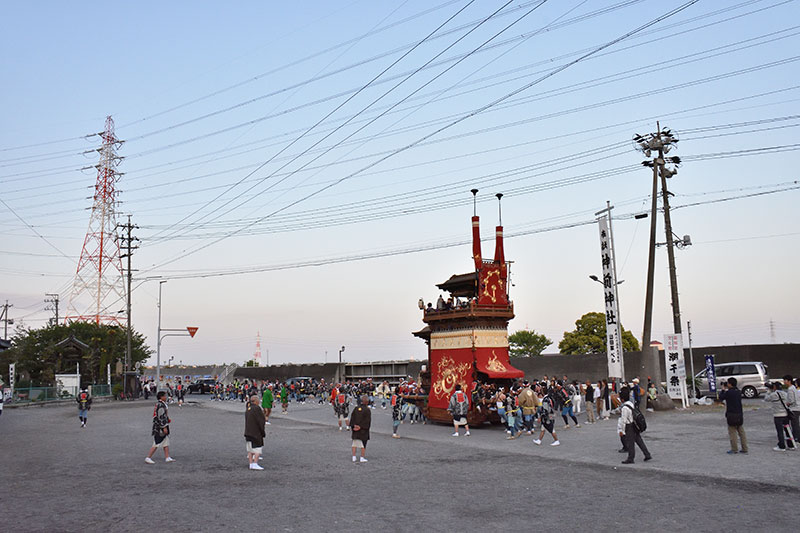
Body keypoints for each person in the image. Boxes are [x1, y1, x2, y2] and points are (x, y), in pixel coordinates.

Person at [618, 387, 652, 464]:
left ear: (622, 399)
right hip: (634, 424)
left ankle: (631, 458)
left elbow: (623, 420)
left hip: (629, 426)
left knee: (630, 443)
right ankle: (647, 454)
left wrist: (622, 431)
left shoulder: (624, 408)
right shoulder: (631, 404)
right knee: (639, 440)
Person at [716, 377, 748, 454]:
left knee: (732, 432)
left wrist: (723, 389)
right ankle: (745, 448)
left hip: (731, 414)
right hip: (739, 413)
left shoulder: (729, 393)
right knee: (741, 432)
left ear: (730, 384)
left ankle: (734, 449)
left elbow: (721, 398)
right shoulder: (738, 392)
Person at [145, 391, 175, 464]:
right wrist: (164, 427)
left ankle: (167, 457)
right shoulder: (161, 405)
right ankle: (148, 457)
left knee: (165, 441)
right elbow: (161, 417)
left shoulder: (161, 404)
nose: (166, 397)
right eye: (165, 396)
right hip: (160, 427)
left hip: (161, 425)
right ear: (161, 397)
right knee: (157, 442)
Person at [763, 381, 794, 451]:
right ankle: (790, 445)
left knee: (780, 431)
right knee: (787, 430)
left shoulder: (773, 394)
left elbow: (766, 399)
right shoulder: (785, 394)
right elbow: (789, 401)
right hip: (785, 415)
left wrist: (769, 391)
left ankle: (782, 446)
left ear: (774, 387)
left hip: (778, 415)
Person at [245, 393, 266, 470]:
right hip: (255, 432)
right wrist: (262, 431)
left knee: (250, 449)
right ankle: (255, 463)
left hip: (248, 431)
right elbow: (261, 421)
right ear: (256, 401)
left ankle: (251, 463)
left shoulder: (248, 408)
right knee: (257, 448)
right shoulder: (257, 409)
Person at [348, 396, 371, 463]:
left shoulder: (356, 408)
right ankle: (362, 457)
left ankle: (354, 456)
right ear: (367, 402)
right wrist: (361, 427)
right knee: (363, 444)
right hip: (363, 430)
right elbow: (367, 421)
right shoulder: (367, 410)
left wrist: (353, 426)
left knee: (354, 443)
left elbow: (352, 418)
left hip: (355, 429)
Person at [783, 375, 799, 447]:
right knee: (796, 424)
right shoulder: (793, 388)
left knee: (794, 424)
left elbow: (791, 400)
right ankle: (797, 437)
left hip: (794, 408)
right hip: (797, 407)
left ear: (789, 381)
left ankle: (796, 438)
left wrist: (787, 404)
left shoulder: (790, 389)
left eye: (785, 380)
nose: (784, 382)